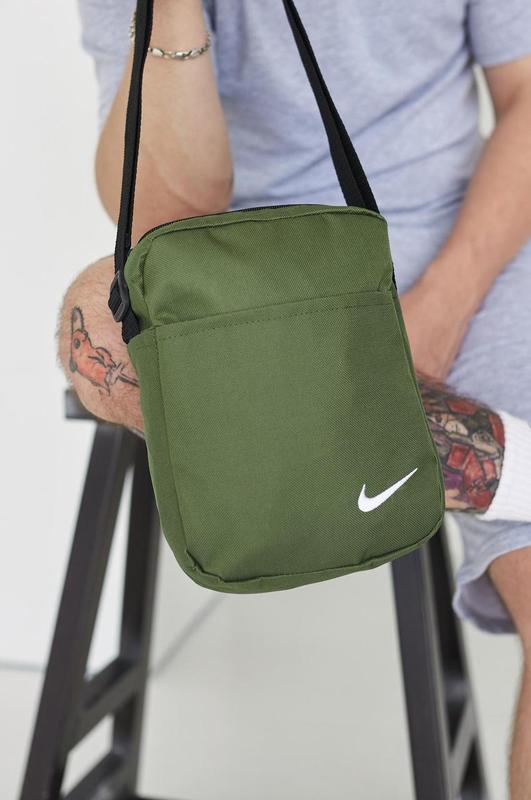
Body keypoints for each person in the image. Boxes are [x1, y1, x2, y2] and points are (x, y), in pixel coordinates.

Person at [63, 1, 531, 793]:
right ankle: (502, 466)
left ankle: (419, 440)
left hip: (463, 246)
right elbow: (161, 217)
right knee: (96, 331)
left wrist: (439, 309)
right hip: (235, 263)